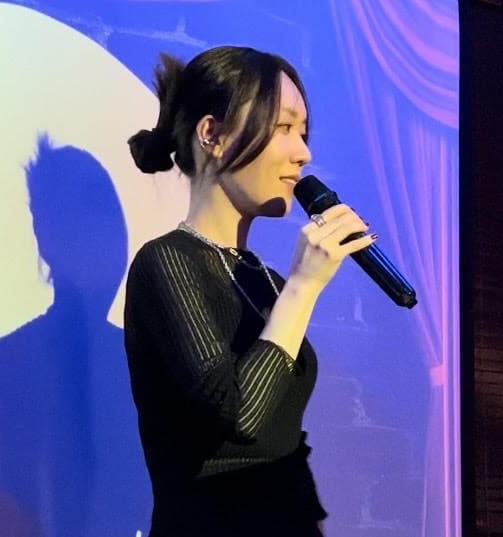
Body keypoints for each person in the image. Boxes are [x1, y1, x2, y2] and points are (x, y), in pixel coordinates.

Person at [123, 46, 377, 536]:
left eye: (302, 133)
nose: (302, 152)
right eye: (283, 128)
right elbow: (241, 418)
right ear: (212, 135)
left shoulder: (265, 280)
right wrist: (303, 287)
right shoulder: (169, 262)